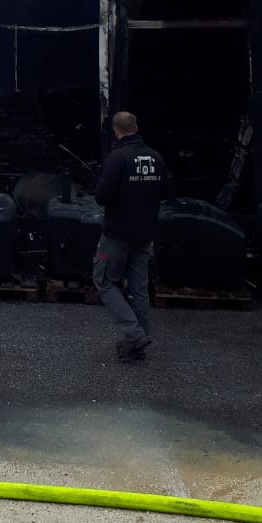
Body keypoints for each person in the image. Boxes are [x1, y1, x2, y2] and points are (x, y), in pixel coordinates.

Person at [92, 111, 171, 362]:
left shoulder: (117, 158)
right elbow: (167, 192)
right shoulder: (156, 158)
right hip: (145, 233)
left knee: (104, 282)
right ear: (136, 128)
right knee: (138, 289)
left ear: (116, 132)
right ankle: (138, 346)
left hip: (117, 234)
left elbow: (102, 196)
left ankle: (135, 335)